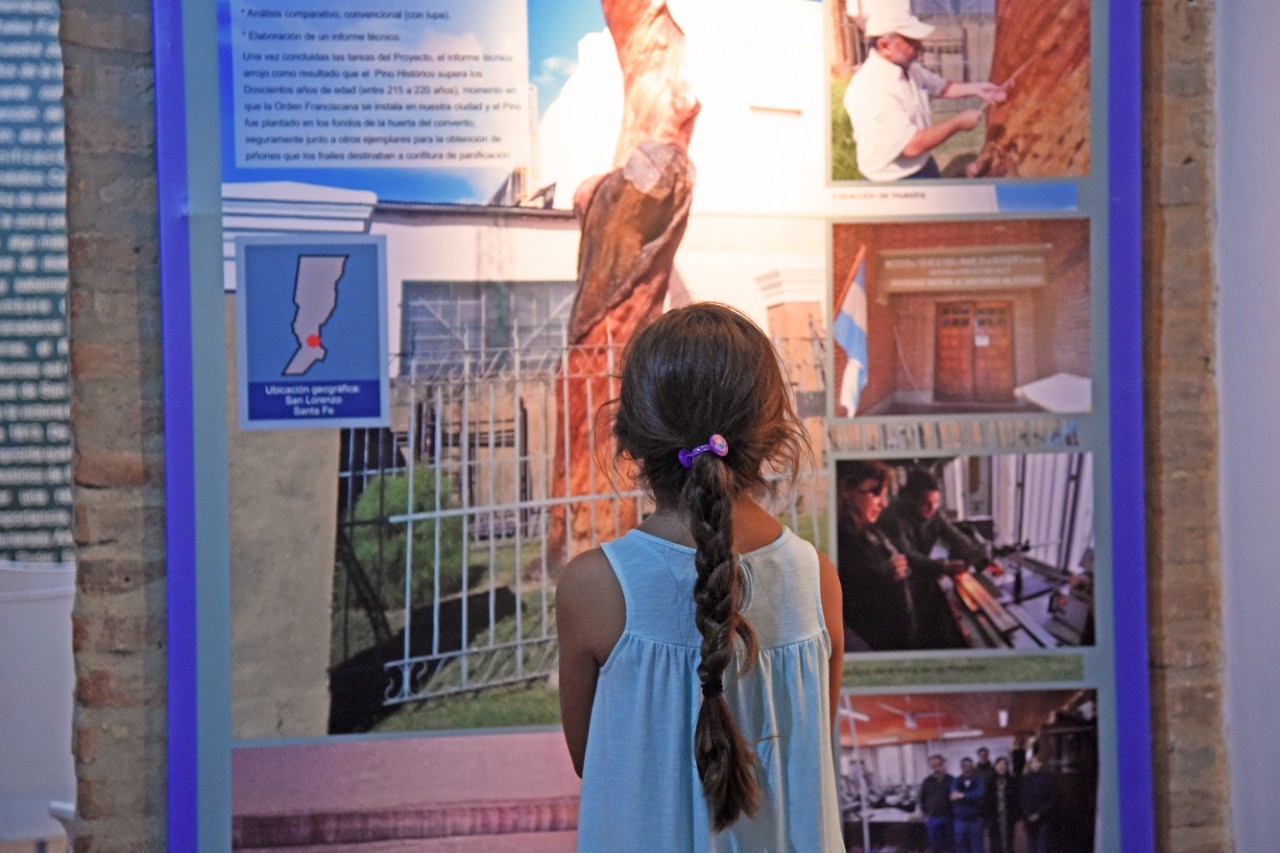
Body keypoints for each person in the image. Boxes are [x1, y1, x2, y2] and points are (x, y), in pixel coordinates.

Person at [556, 303, 845, 851]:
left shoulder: (594, 587)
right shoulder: (816, 580)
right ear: (776, 433)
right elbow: (812, 747)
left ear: (629, 438)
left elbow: (588, 758)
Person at [843, 4, 1007, 181]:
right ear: (885, 46)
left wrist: (979, 89)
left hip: (923, 163)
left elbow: (943, 87)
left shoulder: (909, 68)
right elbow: (911, 146)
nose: (920, 46)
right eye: (911, 41)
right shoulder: (871, 89)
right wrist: (958, 123)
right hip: (892, 181)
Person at [835, 460, 919, 650]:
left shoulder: (870, 531)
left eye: (885, 495)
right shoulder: (842, 540)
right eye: (876, 493)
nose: (884, 503)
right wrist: (886, 572)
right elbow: (850, 598)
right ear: (847, 490)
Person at [1019, 755, 1059, 853]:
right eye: (1032, 762)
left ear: (1041, 763)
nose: (1034, 765)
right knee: (1031, 845)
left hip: (1043, 818)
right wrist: (1027, 814)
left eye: (1037, 762)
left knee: (1042, 846)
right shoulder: (1025, 779)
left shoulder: (1048, 778)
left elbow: (1052, 799)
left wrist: (1039, 813)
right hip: (1028, 818)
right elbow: (1022, 798)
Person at [918, 754, 954, 853]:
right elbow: (922, 798)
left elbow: (956, 798)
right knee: (935, 846)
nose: (936, 768)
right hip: (932, 818)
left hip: (948, 817)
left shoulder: (951, 780)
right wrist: (925, 813)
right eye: (933, 766)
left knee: (950, 845)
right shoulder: (927, 781)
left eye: (938, 765)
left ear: (943, 764)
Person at [950, 757, 986, 853]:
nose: (967, 768)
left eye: (969, 766)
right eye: (964, 766)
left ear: (972, 767)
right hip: (960, 821)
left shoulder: (979, 780)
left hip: (975, 820)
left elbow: (978, 794)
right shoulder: (955, 781)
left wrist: (962, 795)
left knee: (977, 849)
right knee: (961, 848)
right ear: (961, 767)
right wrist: (969, 796)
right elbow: (953, 796)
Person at [988, 756, 1021, 853]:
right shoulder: (989, 781)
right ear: (995, 766)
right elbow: (986, 802)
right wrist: (988, 819)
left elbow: (1017, 800)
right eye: (999, 765)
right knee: (995, 844)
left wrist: (1017, 818)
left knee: (1008, 843)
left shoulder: (1012, 781)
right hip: (994, 819)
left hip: (1008, 818)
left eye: (1004, 765)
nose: (1002, 767)